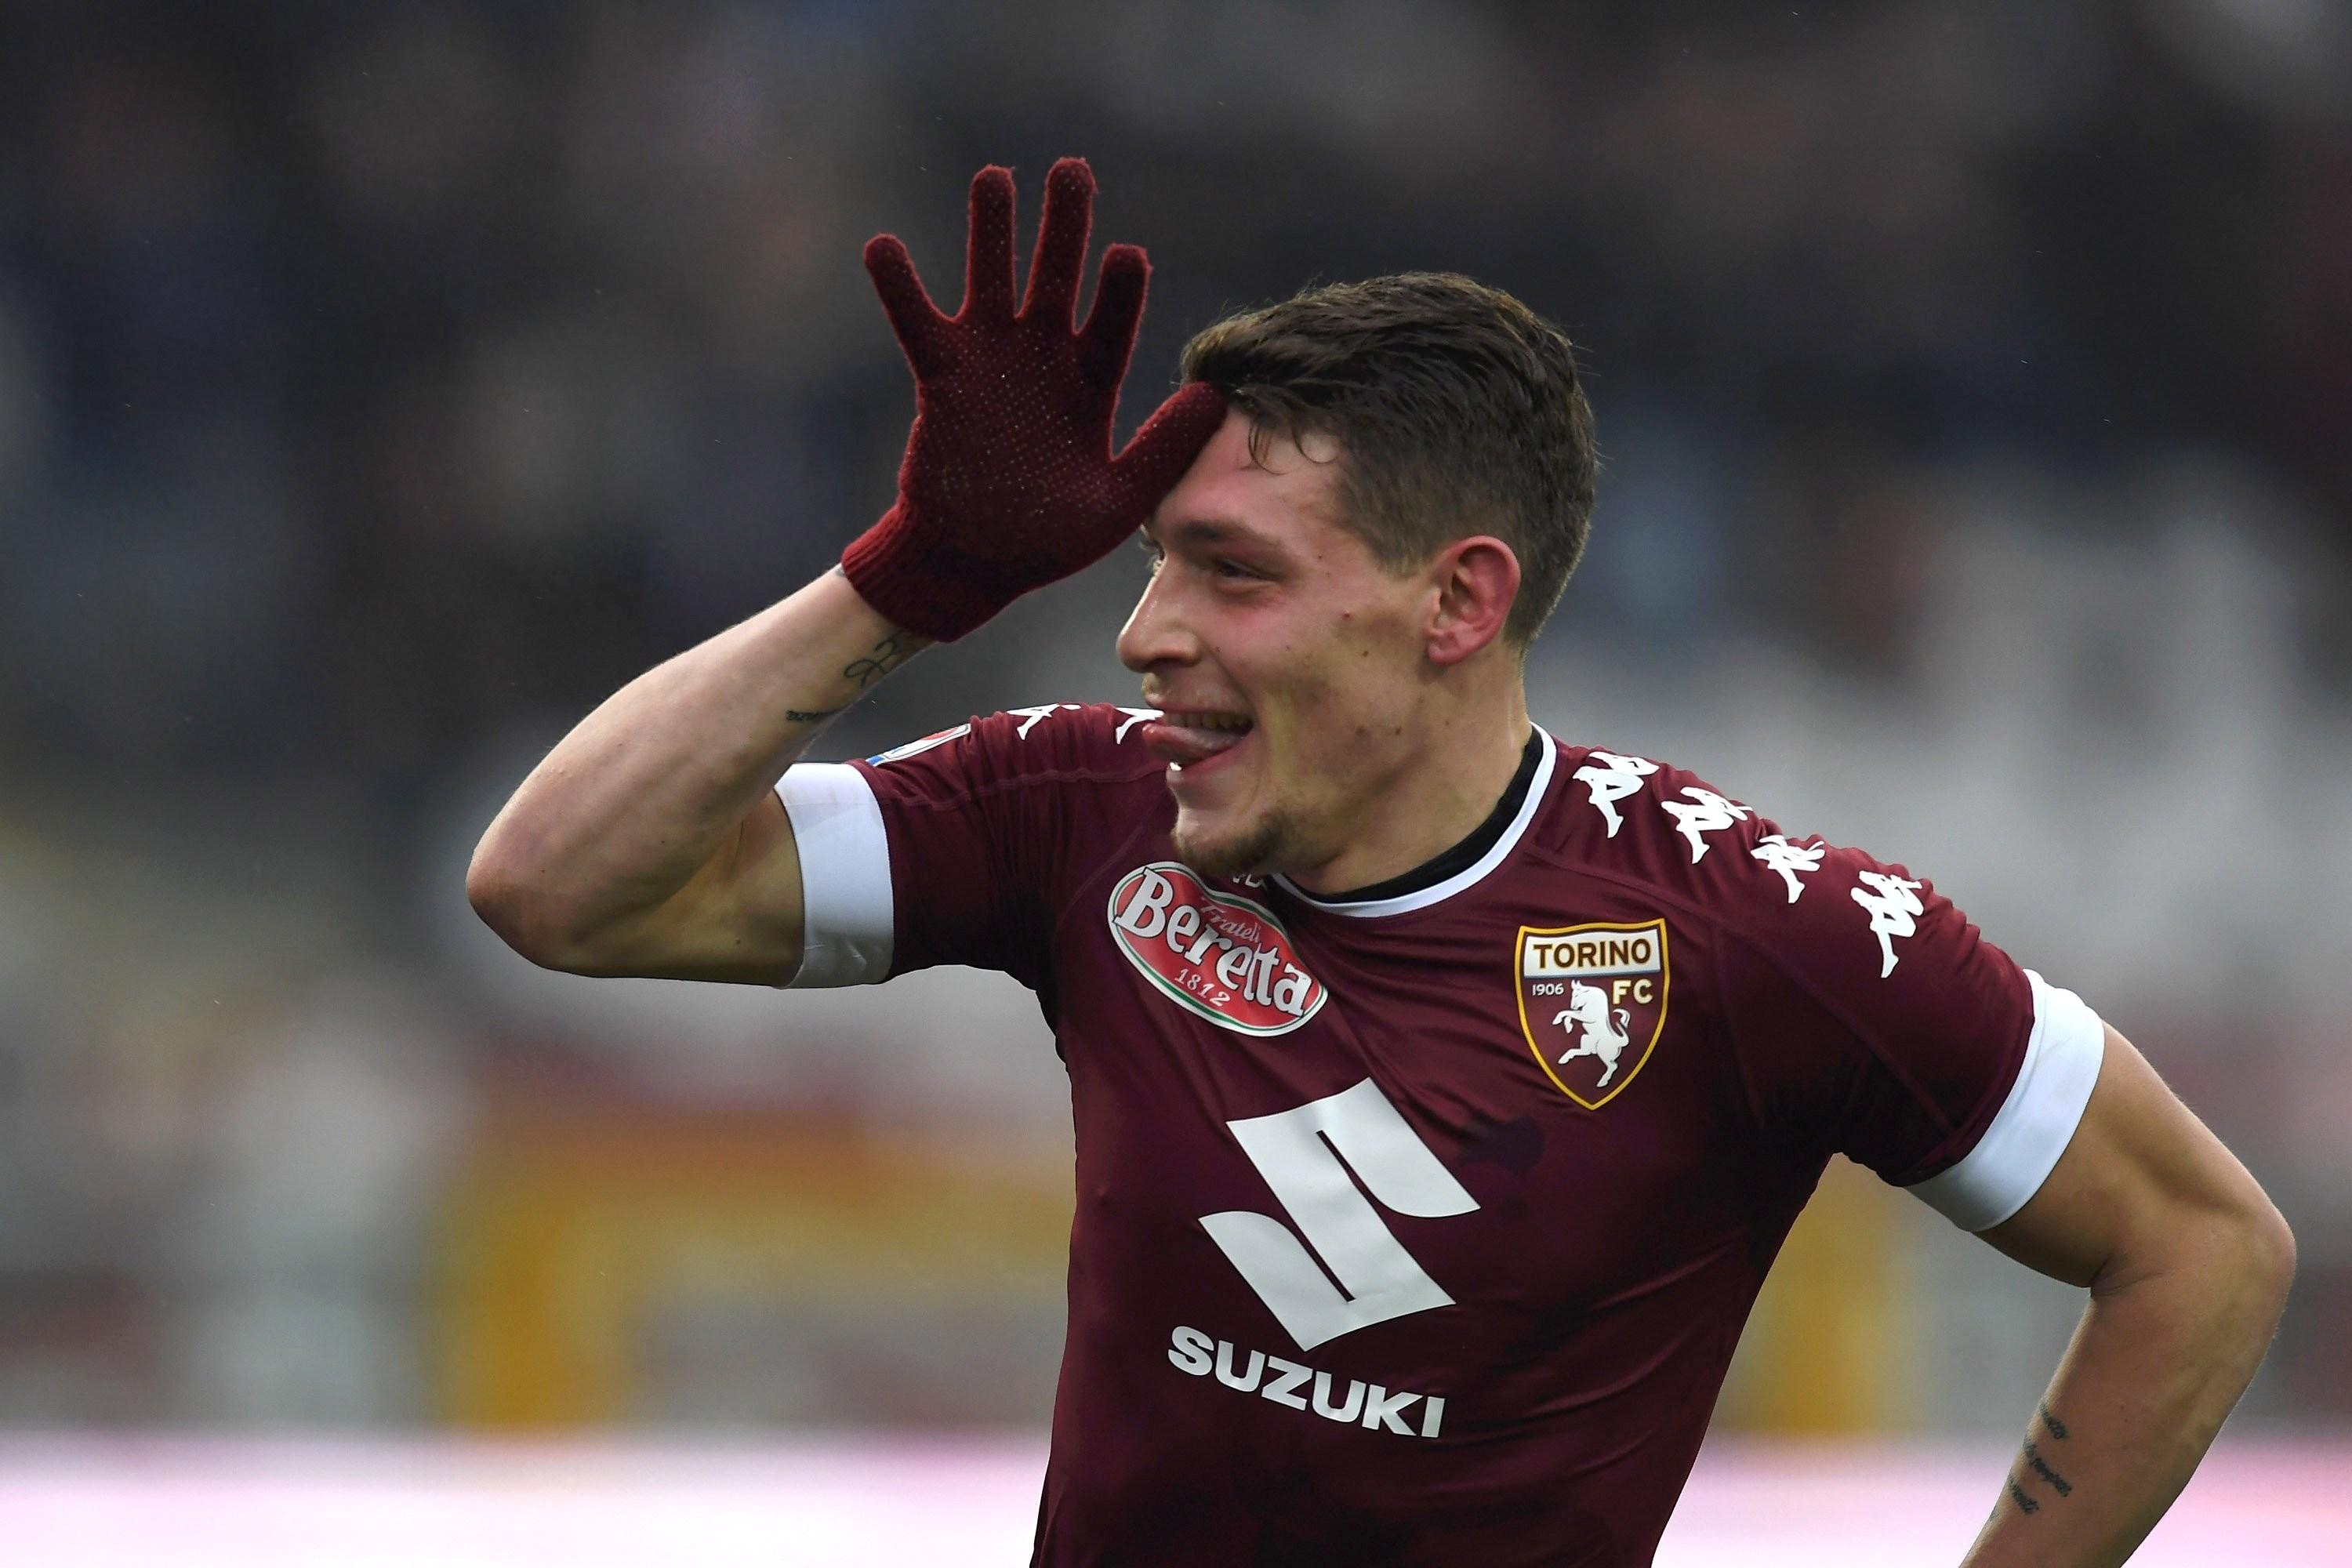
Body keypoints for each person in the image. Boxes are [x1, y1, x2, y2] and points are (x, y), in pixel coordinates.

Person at [466, 159, 2295, 1567]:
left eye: (1236, 574)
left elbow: (2201, 1246)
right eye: (1155, 563)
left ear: (1457, 603)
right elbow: (554, 885)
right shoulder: (1082, 809)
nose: (1149, 633)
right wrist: (909, 580)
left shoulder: (1754, 936)